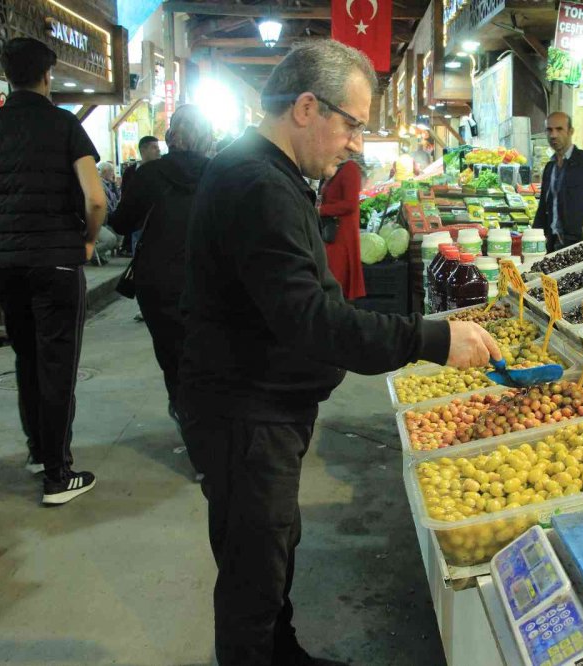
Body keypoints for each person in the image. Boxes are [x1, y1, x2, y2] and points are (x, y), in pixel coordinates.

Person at [179, 39, 500, 666]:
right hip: (246, 409)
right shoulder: (258, 185)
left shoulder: (265, 173)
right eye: (351, 124)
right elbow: (310, 320)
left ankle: (283, 651)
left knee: (274, 550)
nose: (357, 143)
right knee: (254, 568)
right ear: (306, 108)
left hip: (260, 401)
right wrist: (430, 338)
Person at [0, 37, 106, 504]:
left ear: (5, 75)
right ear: (48, 75)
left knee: (27, 359)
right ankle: (58, 477)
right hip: (58, 260)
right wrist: (86, 241)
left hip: (6, 265)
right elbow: (96, 198)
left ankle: (39, 452)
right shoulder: (64, 126)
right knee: (58, 364)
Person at [109, 105, 212, 431]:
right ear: (208, 138)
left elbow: (122, 223)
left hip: (158, 280)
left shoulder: (149, 174)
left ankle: (183, 411)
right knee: (208, 357)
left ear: (171, 136)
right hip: (210, 280)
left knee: (173, 356)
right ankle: (205, 436)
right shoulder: (220, 172)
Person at [532, 111, 583, 253]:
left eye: (559, 129)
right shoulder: (549, 167)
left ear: (570, 131)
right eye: (549, 130)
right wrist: (534, 237)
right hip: (554, 244)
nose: (553, 135)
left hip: (580, 245)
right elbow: (543, 207)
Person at [318, 155, 366, 300]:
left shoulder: (350, 168)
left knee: (337, 276)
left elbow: (350, 204)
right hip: (334, 232)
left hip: (341, 234)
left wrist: (321, 210)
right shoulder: (337, 169)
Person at [118, 136, 161, 256]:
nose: (158, 150)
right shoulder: (131, 172)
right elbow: (125, 194)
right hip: (137, 221)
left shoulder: (162, 170)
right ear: (143, 150)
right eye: (154, 147)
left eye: (158, 148)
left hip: (156, 220)